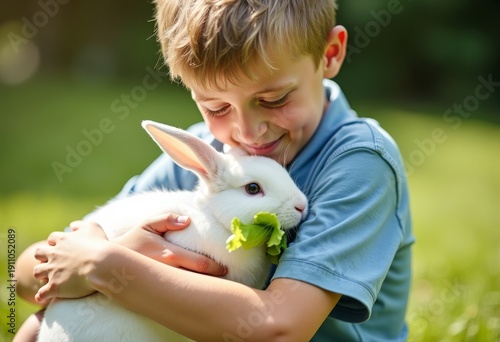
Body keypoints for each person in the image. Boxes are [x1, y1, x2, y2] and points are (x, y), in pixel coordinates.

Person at [15, 0, 415, 340]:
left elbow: (281, 328)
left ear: (329, 54)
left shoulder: (359, 161)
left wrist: (108, 267)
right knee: (36, 325)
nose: (247, 132)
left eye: (274, 98)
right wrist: (103, 258)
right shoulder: (210, 157)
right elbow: (29, 273)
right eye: (216, 108)